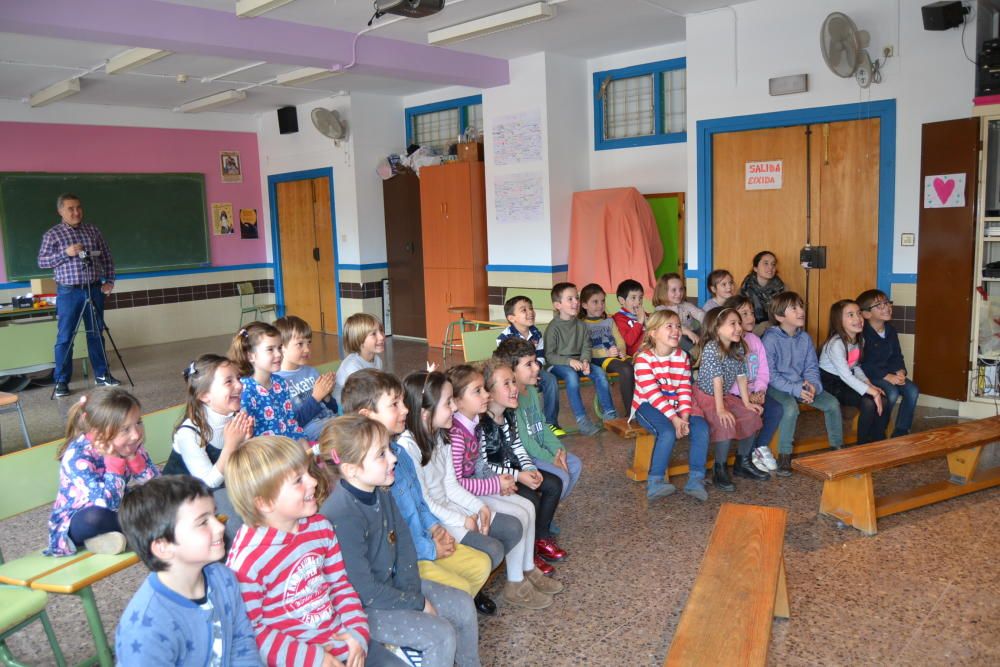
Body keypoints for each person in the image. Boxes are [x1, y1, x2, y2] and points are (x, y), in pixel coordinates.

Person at [320, 416, 481, 667]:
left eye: (389, 450)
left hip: (393, 589)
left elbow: (404, 547)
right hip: (362, 610)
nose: (393, 458)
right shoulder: (341, 515)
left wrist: (412, 594)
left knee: (462, 604)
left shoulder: (380, 490)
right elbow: (365, 591)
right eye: (381, 454)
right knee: (439, 636)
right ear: (351, 469)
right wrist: (416, 603)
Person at [339, 369, 494, 615]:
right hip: (410, 556)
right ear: (367, 416)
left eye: (403, 402)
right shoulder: (376, 473)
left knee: (481, 563)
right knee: (461, 586)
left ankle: (455, 613)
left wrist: (435, 527)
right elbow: (395, 539)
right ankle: (447, 616)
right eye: (394, 405)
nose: (406, 410)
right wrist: (431, 548)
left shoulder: (398, 456)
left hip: (424, 541)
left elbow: (420, 503)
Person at [224, 435, 373, 667]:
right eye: (298, 480)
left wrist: (357, 631)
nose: (313, 482)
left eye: (308, 473)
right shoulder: (247, 562)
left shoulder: (320, 528)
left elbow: (340, 585)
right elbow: (251, 632)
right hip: (295, 659)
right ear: (264, 503)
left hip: (343, 644)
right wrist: (314, 659)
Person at [397, 370, 527, 614]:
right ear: (426, 413)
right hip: (434, 520)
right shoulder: (408, 448)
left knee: (509, 529)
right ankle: (466, 592)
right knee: (492, 550)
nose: (454, 409)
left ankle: (472, 586)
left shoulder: (441, 435)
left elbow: (450, 485)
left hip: (449, 508)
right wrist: (462, 520)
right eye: (448, 403)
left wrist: (479, 508)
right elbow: (425, 502)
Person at [115, 475, 260, 666]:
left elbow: (241, 643)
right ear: (163, 547)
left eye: (214, 516)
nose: (219, 526)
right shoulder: (145, 626)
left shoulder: (223, 578)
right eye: (202, 522)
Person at [447, 364, 555, 608]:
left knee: (528, 507)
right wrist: (495, 483)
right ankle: (514, 583)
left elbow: (480, 464)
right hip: (464, 497)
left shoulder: (472, 422)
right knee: (518, 514)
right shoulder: (456, 434)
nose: (485, 395)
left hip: (478, 486)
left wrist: (500, 484)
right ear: (457, 401)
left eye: (484, 390)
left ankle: (528, 569)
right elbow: (458, 483)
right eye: (478, 391)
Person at [46, 387, 158, 556]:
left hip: (117, 508)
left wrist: (134, 459)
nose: (136, 434)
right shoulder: (77, 456)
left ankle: (106, 539)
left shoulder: (131, 444)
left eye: (138, 422)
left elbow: (156, 486)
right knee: (95, 518)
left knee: (156, 498)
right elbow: (107, 504)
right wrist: (115, 461)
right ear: (97, 431)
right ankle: (140, 529)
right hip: (80, 519)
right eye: (125, 429)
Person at [480, 358, 567, 566]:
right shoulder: (482, 424)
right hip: (496, 478)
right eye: (506, 384)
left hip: (516, 470)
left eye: (513, 382)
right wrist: (519, 476)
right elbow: (483, 465)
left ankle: (541, 537)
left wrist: (529, 468)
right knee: (531, 500)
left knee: (554, 484)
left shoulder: (509, 415)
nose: (514, 388)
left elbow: (518, 446)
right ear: (489, 393)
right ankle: (529, 552)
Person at [37, 193, 120, 397]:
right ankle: (61, 382)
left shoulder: (92, 230)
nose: (76, 212)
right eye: (71, 208)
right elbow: (42, 262)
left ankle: (102, 375)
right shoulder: (52, 235)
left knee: (96, 333)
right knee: (65, 337)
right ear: (61, 211)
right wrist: (66, 253)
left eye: (78, 207)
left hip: (94, 288)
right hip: (69, 291)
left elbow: (107, 256)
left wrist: (109, 280)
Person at [630, 310, 711, 501]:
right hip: (647, 406)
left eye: (678, 326)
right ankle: (655, 482)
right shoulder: (643, 359)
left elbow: (684, 388)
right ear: (653, 333)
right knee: (666, 432)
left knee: (701, 428)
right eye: (669, 326)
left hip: (677, 406)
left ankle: (696, 480)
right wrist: (674, 419)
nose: (676, 331)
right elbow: (653, 395)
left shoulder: (682, 356)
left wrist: (684, 417)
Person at [762, 292, 844, 476]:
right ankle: (784, 455)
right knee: (790, 408)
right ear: (779, 316)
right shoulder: (770, 339)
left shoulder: (804, 338)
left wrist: (813, 385)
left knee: (832, 404)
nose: (801, 311)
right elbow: (771, 375)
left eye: (801, 306)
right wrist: (796, 389)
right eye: (794, 308)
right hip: (776, 387)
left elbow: (811, 367)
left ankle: (837, 448)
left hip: (802, 385)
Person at [494, 338, 583, 501]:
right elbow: (525, 441)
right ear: (511, 371)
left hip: (541, 451)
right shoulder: (512, 401)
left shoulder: (532, 391)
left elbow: (542, 425)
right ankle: (544, 514)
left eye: (535, 361)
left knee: (574, 465)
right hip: (526, 457)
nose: (537, 367)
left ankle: (548, 508)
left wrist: (559, 452)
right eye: (529, 364)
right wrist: (552, 460)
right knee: (562, 477)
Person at [693, 308, 767, 490]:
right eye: (732, 324)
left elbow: (741, 376)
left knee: (751, 416)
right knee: (724, 422)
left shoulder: (738, 345)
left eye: (739, 323)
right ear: (717, 328)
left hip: (723, 396)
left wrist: (747, 402)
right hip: (706, 397)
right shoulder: (712, 348)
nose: (738, 327)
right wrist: (720, 410)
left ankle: (743, 463)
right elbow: (717, 381)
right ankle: (720, 469)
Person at [162, 354, 253, 487]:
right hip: (179, 497)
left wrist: (245, 441)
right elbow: (208, 483)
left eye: (238, 378)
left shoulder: (236, 416)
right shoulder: (189, 433)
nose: (240, 385)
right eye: (229, 381)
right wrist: (231, 446)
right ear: (204, 395)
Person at [544, 282, 617, 435]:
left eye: (576, 298)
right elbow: (549, 356)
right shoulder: (553, 328)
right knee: (571, 376)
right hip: (558, 364)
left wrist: (585, 360)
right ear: (558, 305)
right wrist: (569, 362)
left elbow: (586, 347)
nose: (576, 302)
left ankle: (610, 415)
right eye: (570, 299)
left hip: (578, 362)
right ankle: (582, 420)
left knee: (599, 374)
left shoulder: (581, 325)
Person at [722, 295, 781, 472]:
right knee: (752, 414)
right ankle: (746, 456)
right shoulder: (729, 342)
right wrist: (748, 396)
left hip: (754, 391)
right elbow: (728, 377)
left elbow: (763, 370)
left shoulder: (755, 340)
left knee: (776, 409)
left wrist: (761, 390)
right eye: (744, 313)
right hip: (735, 394)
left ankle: (759, 447)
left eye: (751, 313)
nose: (750, 318)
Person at [819, 299, 890, 445]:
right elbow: (846, 375)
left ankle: (878, 440)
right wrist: (871, 391)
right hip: (831, 384)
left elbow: (855, 367)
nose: (858, 318)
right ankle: (862, 446)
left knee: (882, 398)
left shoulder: (859, 340)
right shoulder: (836, 344)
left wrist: (869, 384)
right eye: (850, 315)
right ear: (839, 320)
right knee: (869, 402)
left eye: (858, 313)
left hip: (846, 380)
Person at [496, 295, 564, 437]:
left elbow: (541, 355)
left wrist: (536, 370)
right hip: (514, 375)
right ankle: (520, 425)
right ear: (511, 318)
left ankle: (551, 423)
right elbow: (504, 363)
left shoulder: (536, 333)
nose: (530, 312)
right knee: (518, 388)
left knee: (550, 380)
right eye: (523, 310)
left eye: (531, 308)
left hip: (534, 370)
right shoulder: (504, 337)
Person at [857, 289, 920, 438]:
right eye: (879, 305)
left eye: (887, 302)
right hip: (870, 375)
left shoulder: (890, 330)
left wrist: (900, 371)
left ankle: (901, 431)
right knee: (891, 393)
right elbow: (863, 364)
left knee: (912, 390)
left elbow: (897, 355)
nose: (886, 307)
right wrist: (886, 376)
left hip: (889, 373)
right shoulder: (862, 333)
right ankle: (879, 430)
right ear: (866, 314)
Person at [230, 322, 303, 438]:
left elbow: (291, 423)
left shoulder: (281, 383)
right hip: (264, 453)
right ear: (250, 356)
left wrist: (305, 448)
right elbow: (246, 439)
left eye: (279, 347)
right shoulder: (244, 391)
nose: (278, 354)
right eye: (270, 349)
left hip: (289, 448)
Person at [274, 315, 338, 440]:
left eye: (309, 342)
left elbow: (334, 410)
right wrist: (315, 398)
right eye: (300, 344)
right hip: (310, 435)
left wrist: (327, 396)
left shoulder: (312, 372)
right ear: (281, 347)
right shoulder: (277, 382)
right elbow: (292, 423)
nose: (307, 349)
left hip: (332, 424)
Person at [579, 283, 635, 415]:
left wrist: (621, 351)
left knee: (640, 365)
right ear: (584, 305)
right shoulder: (581, 325)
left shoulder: (609, 321)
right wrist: (606, 352)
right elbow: (585, 349)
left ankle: (646, 408)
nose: (600, 305)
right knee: (626, 370)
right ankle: (631, 413)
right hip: (600, 359)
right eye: (595, 302)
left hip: (617, 356)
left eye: (602, 301)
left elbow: (620, 340)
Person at [333, 314, 386, 404]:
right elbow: (361, 397)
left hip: (365, 399)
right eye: (374, 334)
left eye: (381, 330)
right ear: (359, 339)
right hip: (346, 407)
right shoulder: (352, 366)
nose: (381, 337)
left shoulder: (377, 360)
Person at [652, 273, 705, 352]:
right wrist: (688, 332)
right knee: (678, 336)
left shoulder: (686, 305)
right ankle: (695, 353)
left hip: (691, 335)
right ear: (663, 292)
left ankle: (707, 350)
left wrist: (709, 322)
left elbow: (699, 314)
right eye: (674, 290)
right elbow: (673, 326)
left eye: (681, 289)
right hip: (674, 338)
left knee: (706, 328)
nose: (679, 293)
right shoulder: (661, 309)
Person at [740, 250, 786, 331]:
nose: (771, 267)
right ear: (755, 268)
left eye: (773, 264)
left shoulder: (782, 288)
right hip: (749, 330)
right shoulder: (745, 288)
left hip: (775, 330)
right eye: (766, 263)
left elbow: (786, 315)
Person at [611, 278, 648, 358]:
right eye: (633, 298)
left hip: (652, 350)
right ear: (622, 300)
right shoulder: (619, 318)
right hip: (636, 356)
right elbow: (628, 342)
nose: (638, 302)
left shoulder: (645, 314)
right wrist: (639, 322)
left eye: (640, 298)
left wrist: (647, 321)